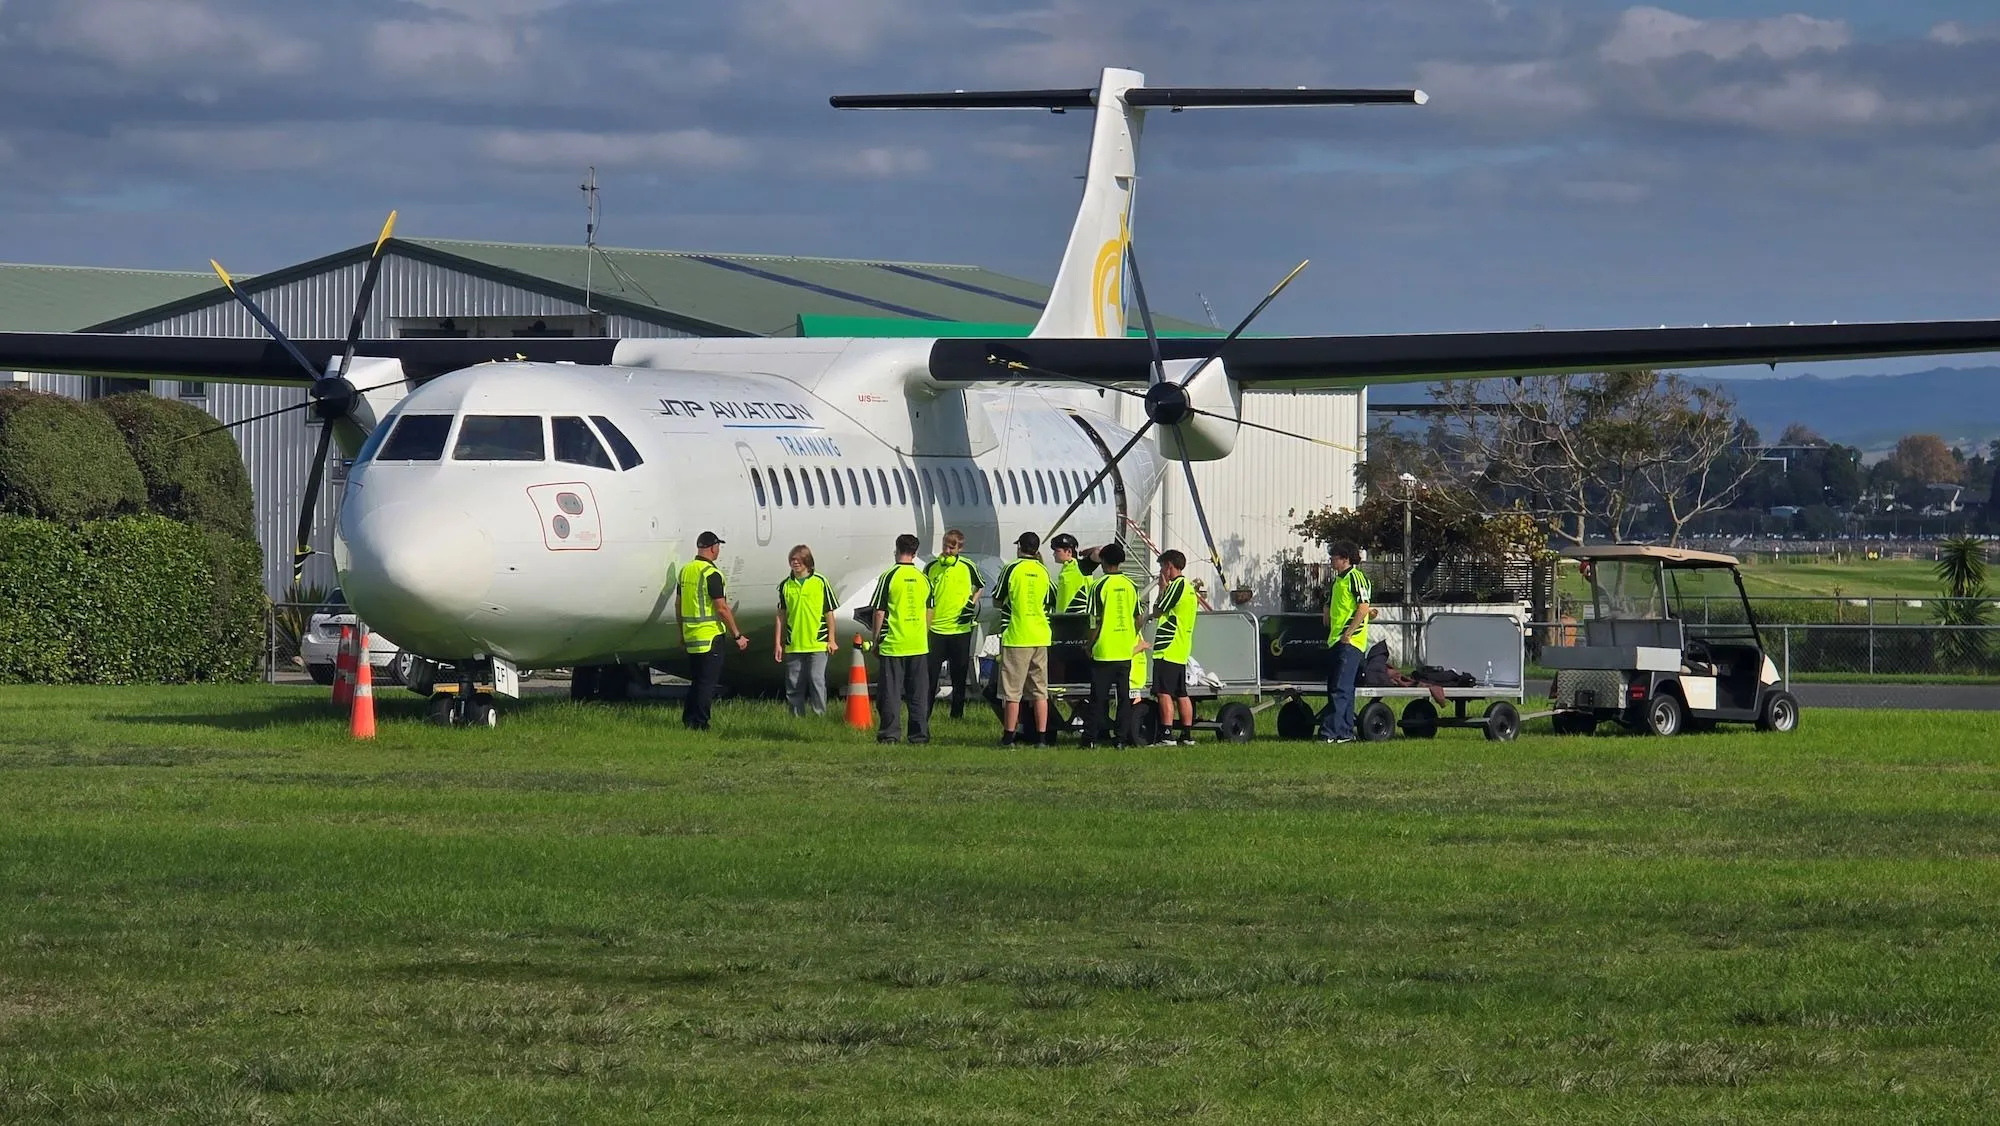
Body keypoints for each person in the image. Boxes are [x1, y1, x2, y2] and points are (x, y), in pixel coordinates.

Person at [678, 530, 749, 730]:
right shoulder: (712, 574)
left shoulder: (686, 571)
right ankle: (701, 723)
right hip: (709, 636)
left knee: (697, 681)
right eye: (718, 547)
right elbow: (722, 608)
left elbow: (678, 603)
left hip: (691, 634)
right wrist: (737, 635)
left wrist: (680, 632)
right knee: (707, 684)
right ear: (712, 548)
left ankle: (689, 720)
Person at [868, 533, 933, 744]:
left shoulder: (889, 576)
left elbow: (879, 611)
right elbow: (929, 609)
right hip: (918, 643)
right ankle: (919, 736)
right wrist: (924, 632)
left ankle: (890, 735)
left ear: (896, 550)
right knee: (918, 695)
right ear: (915, 553)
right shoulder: (923, 579)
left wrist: (876, 639)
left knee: (891, 694)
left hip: (894, 643)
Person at [1082, 540, 1146, 749]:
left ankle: (1090, 739)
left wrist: (1088, 644)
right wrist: (1131, 635)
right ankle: (1120, 739)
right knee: (1123, 698)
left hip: (1104, 650)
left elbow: (1094, 620)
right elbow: (1138, 617)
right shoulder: (1130, 585)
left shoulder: (1099, 586)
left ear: (1103, 561)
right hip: (1124, 650)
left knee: (1097, 698)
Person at [993, 531, 1055, 747]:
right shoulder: (1043, 571)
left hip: (1017, 635)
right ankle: (1042, 737)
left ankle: (1009, 736)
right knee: (1040, 691)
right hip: (1040, 635)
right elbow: (1050, 600)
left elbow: (998, 598)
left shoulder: (1012, 568)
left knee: (1012, 692)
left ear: (1020, 547)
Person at [923, 529, 986, 720]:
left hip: (960, 629)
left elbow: (981, 585)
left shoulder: (968, 566)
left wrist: (971, 603)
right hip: (936, 629)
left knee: (958, 676)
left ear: (960, 548)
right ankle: (925, 713)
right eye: (945, 547)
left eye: (952, 548)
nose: (947, 551)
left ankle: (956, 714)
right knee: (930, 677)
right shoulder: (931, 566)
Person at [774, 544, 839, 717]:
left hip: (818, 642)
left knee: (816, 680)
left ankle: (819, 717)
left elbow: (829, 613)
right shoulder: (785, 586)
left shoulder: (820, 582)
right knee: (794, 684)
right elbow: (780, 616)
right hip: (794, 643)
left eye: (798, 560)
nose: (795, 563)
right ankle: (796, 719)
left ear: (807, 562)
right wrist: (778, 643)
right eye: (792, 560)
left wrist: (831, 639)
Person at [1320, 539, 1372, 744]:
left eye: (1334, 556)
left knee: (1339, 688)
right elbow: (1333, 600)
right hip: (1336, 640)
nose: (1331, 560)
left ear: (1345, 558)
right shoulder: (1338, 581)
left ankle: (1329, 733)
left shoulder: (1356, 577)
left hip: (1350, 642)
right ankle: (1345, 732)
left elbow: (1363, 607)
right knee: (1342, 687)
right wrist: (1326, 607)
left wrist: (1349, 633)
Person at [1149, 550, 1201, 746]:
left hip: (1168, 648)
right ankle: (1186, 734)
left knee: (1164, 692)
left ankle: (1167, 734)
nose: (1162, 571)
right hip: (1181, 647)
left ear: (1170, 566)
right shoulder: (1189, 588)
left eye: (1163, 566)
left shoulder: (1177, 586)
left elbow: (1157, 610)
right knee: (1181, 692)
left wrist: (1162, 589)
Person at [1051, 533, 1092, 614]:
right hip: (1063, 619)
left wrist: (1085, 552)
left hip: (1078, 618)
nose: (1054, 554)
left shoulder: (1081, 566)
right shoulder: (1066, 569)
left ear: (1069, 551)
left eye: (1057, 551)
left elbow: (1099, 551)